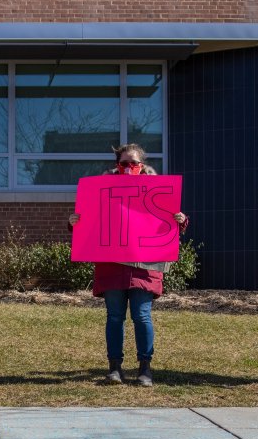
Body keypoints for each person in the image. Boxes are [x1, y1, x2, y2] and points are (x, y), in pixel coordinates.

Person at [68, 144, 188, 387]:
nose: (129, 167)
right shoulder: (101, 190)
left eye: (133, 163)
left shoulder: (158, 191)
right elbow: (91, 224)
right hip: (112, 266)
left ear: (141, 165)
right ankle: (115, 368)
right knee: (114, 317)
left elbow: (168, 223)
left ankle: (145, 369)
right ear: (117, 165)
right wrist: (75, 222)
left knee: (142, 316)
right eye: (124, 163)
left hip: (145, 266)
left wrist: (181, 219)